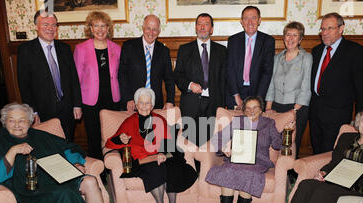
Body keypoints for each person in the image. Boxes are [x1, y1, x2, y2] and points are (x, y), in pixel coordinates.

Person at [105, 88, 197, 203]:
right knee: (155, 169)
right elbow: (109, 143)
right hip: (143, 161)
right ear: (136, 104)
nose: (144, 106)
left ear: (152, 105)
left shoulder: (160, 119)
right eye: (141, 103)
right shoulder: (128, 122)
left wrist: (162, 153)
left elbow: (169, 141)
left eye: (148, 103)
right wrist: (120, 138)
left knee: (173, 167)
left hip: (161, 156)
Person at [205, 96, 295, 203]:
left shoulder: (269, 123)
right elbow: (218, 138)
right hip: (236, 159)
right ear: (244, 110)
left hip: (257, 162)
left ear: (261, 109)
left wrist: (286, 132)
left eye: (255, 108)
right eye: (248, 108)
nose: (251, 111)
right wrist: (224, 147)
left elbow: (278, 145)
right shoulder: (237, 121)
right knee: (228, 170)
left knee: (249, 173)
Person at [309, 12, 363, 155]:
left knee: (332, 152)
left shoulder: (354, 51)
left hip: (338, 114)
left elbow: (362, 87)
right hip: (315, 111)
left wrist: (362, 117)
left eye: (329, 28)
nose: (325, 33)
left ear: (341, 28)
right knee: (316, 150)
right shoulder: (316, 51)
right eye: (323, 29)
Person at [17, 10, 82, 142]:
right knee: (48, 147)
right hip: (42, 110)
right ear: (36, 26)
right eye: (45, 24)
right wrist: (33, 112)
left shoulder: (65, 48)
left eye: (54, 25)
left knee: (68, 143)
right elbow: (24, 85)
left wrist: (77, 104)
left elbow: (73, 79)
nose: (50, 29)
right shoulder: (26, 50)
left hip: (66, 108)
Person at [173, 13, 227, 146]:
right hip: (191, 105)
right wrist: (190, 84)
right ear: (196, 27)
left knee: (211, 147)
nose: (202, 27)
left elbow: (224, 79)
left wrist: (224, 104)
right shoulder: (184, 50)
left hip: (214, 105)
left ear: (212, 29)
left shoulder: (222, 51)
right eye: (199, 24)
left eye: (206, 24)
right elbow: (177, 75)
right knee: (190, 146)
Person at [73, 11, 121, 160]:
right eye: (96, 26)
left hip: (112, 99)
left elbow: (120, 75)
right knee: (93, 136)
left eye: (103, 26)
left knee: (112, 136)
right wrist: (77, 104)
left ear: (108, 28)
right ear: (91, 28)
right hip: (90, 101)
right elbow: (76, 79)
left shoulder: (117, 48)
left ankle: (111, 169)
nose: (100, 29)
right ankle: (97, 170)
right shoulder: (81, 49)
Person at [265, 21, 312, 158]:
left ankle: (289, 175)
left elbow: (306, 88)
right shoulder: (277, 58)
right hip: (276, 107)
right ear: (284, 37)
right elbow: (271, 84)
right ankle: (275, 173)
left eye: (294, 35)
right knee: (274, 143)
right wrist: (268, 108)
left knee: (291, 144)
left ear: (300, 39)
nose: (290, 38)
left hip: (297, 107)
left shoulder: (306, 58)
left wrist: (294, 111)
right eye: (288, 35)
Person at [118, 14, 175, 111]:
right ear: (143, 28)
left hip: (155, 104)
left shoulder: (164, 51)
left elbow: (169, 78)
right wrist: (128, 98)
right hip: (133, 103)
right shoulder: (129, 46)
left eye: (155, 29)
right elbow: (122, 74)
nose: (151, 33)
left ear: (159, 31)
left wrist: (170, 101)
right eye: (148, 28)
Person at [226, 6, 275, 110]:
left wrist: (257, 99)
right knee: (236, 125)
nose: (250, 22)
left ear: (259, 20)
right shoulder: (233, 40)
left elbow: (267, 72)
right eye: (246, 18)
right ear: (241, 21)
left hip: (258, 93)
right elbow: (229, 69)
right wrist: (236, 95)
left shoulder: (268, 41)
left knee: (255, 126)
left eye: (254, 18)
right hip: (235, 94)